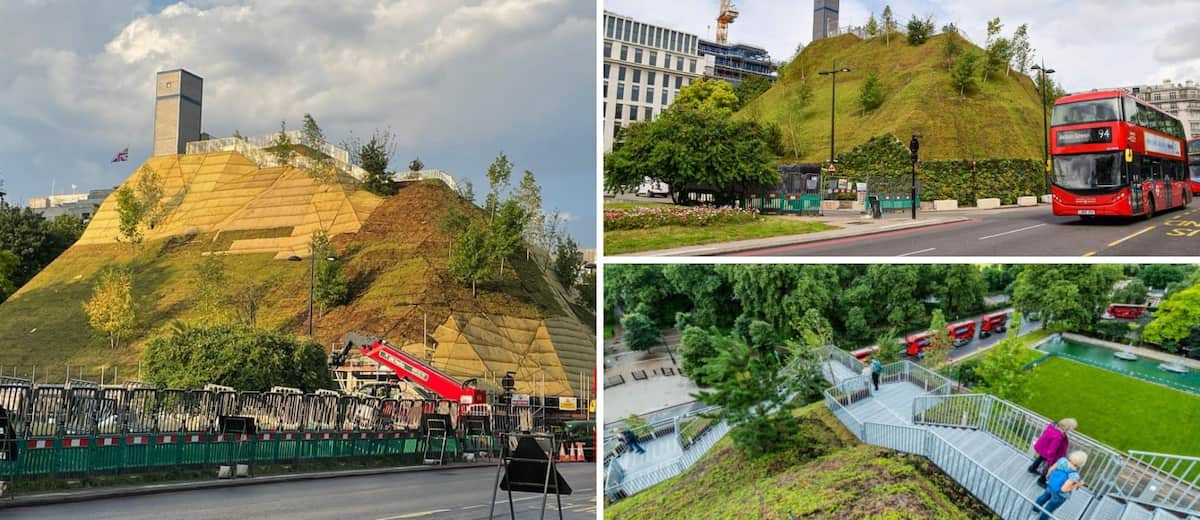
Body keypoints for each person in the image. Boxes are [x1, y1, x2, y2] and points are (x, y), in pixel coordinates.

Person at [1033, 451, 1088, 520]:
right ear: (1082, 463)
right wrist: (1077, 484)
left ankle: (1035, 510)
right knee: (1050, 507)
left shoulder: (1062, 460)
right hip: (1060, 495)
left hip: (1051, 485)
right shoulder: (1074, 475)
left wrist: (1048, 476)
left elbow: (1051, 469)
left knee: (1043, 497)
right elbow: (1064, 489)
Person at [1028, 418, 1076, 486]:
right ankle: (1041, 481)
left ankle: (1032, 469)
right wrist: (1051, 461)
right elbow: (1052, 450)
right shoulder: (1058, 436)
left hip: (1043, 448)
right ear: (1067, 428)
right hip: (1049, 453)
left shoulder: (1052, 426)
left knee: (1041, 458)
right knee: (1048, 467)